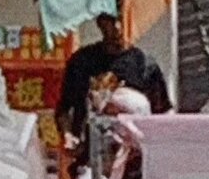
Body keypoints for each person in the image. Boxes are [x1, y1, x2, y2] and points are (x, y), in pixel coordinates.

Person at [58, 14, 171, 143]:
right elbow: (64, 110)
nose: (117, 27)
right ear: (100, 23)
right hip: (89, 154)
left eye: (121, 19)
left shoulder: (144, 64)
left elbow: (163, 115)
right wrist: (68, 135)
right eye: (111, 21)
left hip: (135, 155)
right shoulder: (81, 62)